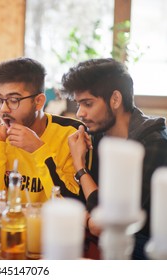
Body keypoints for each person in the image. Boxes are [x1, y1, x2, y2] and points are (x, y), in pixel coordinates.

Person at [61, 58, 167, 259]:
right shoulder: (98, 135)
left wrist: (80, 166)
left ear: (115, 99)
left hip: (145, 249)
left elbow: (107, 223)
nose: (79, 113)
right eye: (78, 104)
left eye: (88, 104)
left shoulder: (155, 143)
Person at [0, 57, 85, 219]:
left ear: (38, 102)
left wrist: (39, 150)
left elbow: (72, 209)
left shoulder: (71, 134)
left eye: (14, 100)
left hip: (52, 236)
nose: (3, 109)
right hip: (6, 233)